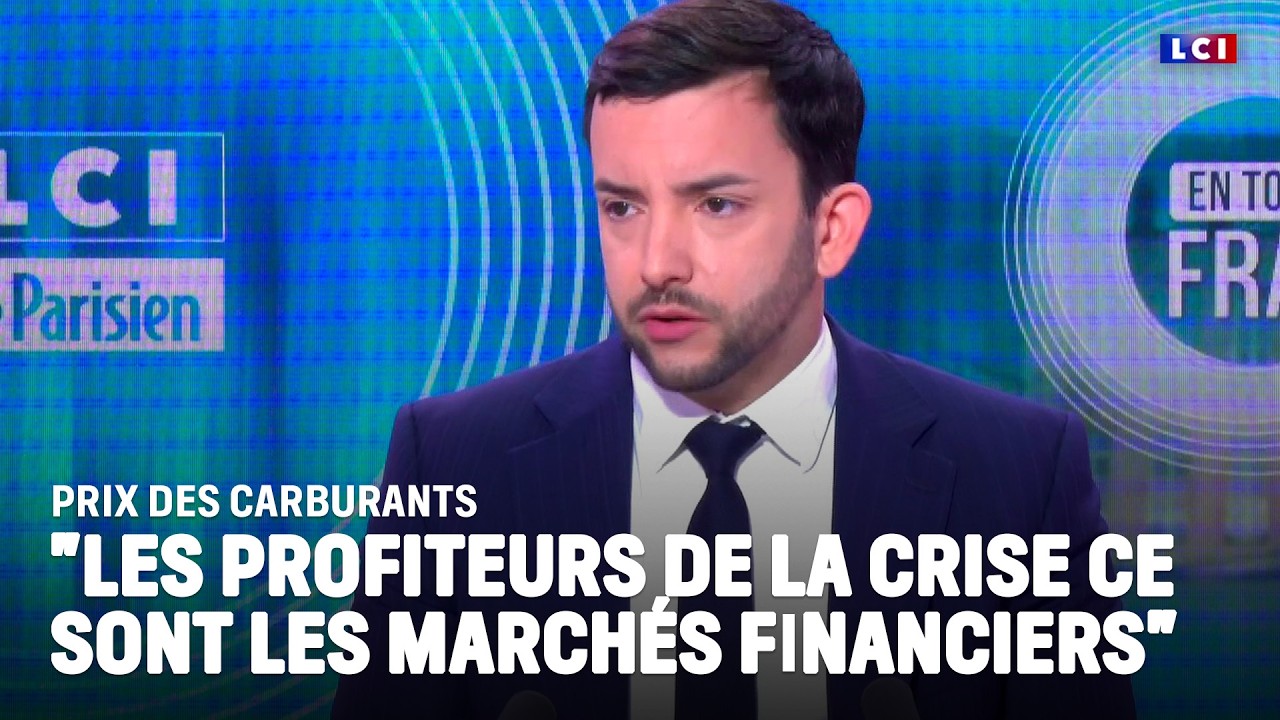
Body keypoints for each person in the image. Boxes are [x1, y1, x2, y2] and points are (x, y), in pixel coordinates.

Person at [331, 1, 1136, 718]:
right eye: (622, 207)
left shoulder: (1018, 477)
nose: (657, 263)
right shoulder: (454, 465)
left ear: (832, 230)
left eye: (716, 204)